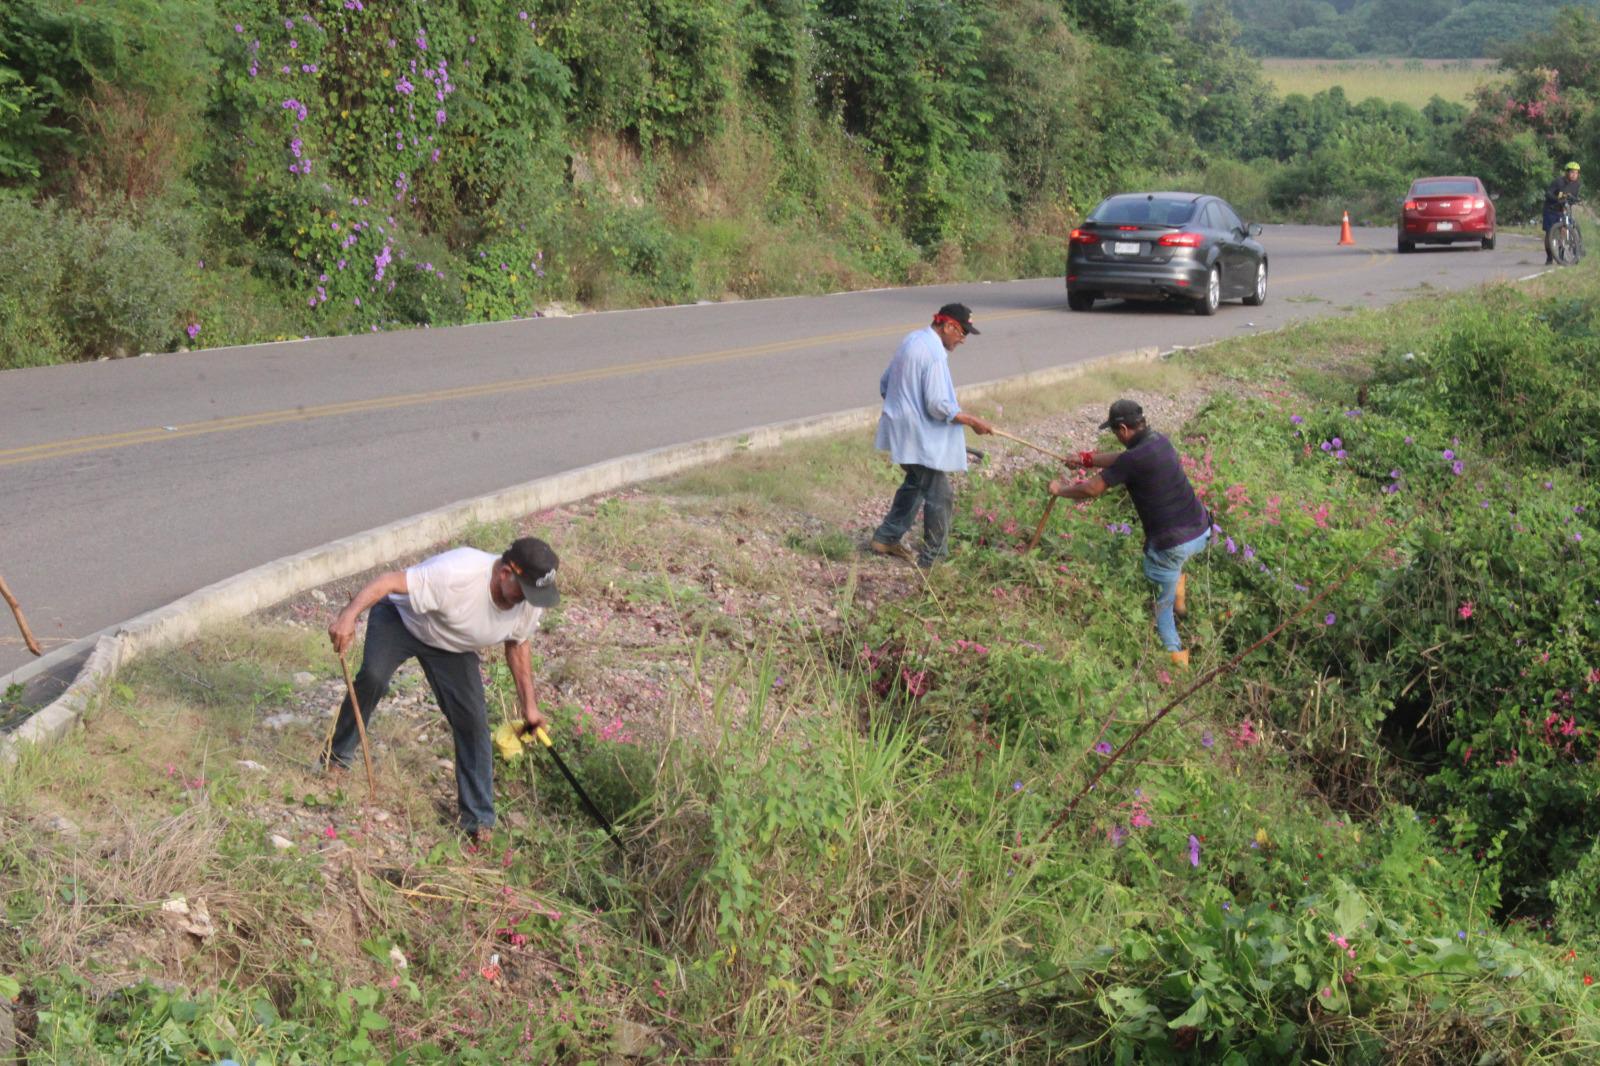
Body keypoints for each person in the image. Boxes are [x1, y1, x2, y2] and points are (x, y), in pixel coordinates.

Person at [324, 536, 559, 841]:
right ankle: (337, 759)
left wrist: (529, 706)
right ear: (505, 573)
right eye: (523, 591)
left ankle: (478, 821)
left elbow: (517, 645)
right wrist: (348, 616)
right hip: (403, 622)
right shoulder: (457, 573)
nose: (525, 600)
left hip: (453, 646)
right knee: (373, 678)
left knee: (473, 722)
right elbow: (388, 581)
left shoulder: (529, 602)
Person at [1048, 400, 1210, 666]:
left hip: (1173, 544)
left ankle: (1177, 660)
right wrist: (1086, 459)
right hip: (1200, 531)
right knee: (1170, 567)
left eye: (1114, 432)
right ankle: (1177, 586)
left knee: (1161, 602)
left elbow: (1091, 489)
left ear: (1123, 429)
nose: (1116, 437)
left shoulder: (1134, 459)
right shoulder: (1159, 441)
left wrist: (1059, 490)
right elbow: (1122, 460)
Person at [870, 302, 994, 569]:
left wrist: (902, 406)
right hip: (916, 436)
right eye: (962, 333)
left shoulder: (912, 340)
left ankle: (886, 537)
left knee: (916, 483)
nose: (962, 340)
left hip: (901, 430)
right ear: (948, 325)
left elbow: (885, 383)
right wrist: (972, 421)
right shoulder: (934, 354)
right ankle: (934, 561)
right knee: (940, 494)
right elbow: (938, 405)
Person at [1543, 161, 1581, 265]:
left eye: (1576, 173)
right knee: (1549, 232)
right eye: (1572, 172)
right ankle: (1549, 257)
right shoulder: (1558, 181)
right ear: (1567, 173)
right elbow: (1548, 193)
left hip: (1563, 210)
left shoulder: (1577, 184)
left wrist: (1576, 200)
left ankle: (1561, 256)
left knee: (1564, 231)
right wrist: (1556, 199)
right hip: (1551, 209)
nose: (1574, 175)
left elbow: (1574, 197)